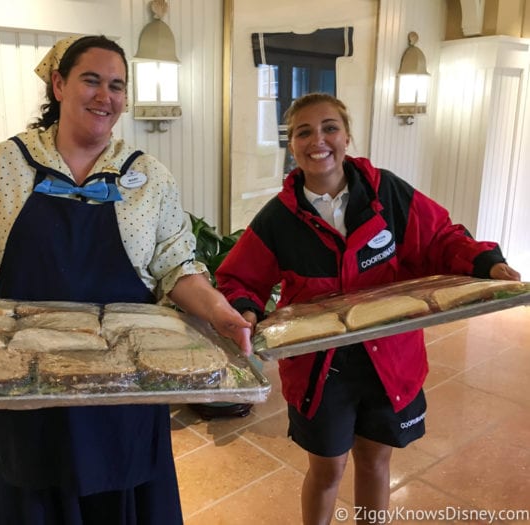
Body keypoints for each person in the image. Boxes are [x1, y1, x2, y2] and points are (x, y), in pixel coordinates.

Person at [0, 35, 251, 524]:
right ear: (59, 84)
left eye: (117, 86)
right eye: (92, 80)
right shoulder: (4, 165)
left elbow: (177, 268)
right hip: (23, 391)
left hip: (123, 393)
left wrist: (217, 310)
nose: (106, 96)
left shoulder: (148, 176)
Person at [215, 92, 521, 524]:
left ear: (347, 135)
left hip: (389, 359)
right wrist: (244, 310)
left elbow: (439, 238)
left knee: (376, 461)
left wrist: (487, 262)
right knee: (327, 470)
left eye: (329, 128)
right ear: (291, 146)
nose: (317, 139)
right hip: (321, 371)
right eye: (304, 132)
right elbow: (238, 278)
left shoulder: (387, 193)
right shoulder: (278, 218)